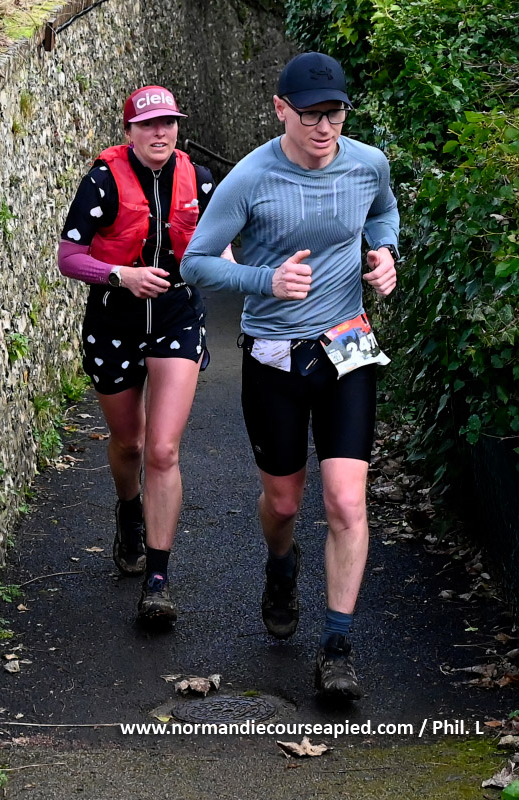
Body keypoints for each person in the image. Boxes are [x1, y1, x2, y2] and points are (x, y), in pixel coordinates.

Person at [181, 53, 400, 699]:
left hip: (346, 347)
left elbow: (383, 213)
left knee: (346, 501)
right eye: (310, 115)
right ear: (280, 109)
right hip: (273, 357)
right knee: (283, 503)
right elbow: (196, 263)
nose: (324, 127)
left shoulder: (368, 163)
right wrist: (265, 280)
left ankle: (337, 647)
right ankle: (281, 563)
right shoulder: (249, 179)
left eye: (334, 113)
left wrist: (385, 253)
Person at [59, 85, 232, 625]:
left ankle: (158, 580)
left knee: (161, 450)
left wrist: (229, 263)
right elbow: (69, 257)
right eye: (149, 124)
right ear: (129, 132)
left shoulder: (200, 179)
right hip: (114, 322)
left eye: (169, 123)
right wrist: (122, 275)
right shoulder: (104, 180)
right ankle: (129, 509)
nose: (161, 132)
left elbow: (222, 245)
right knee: (129, 443)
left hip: (177, 318)